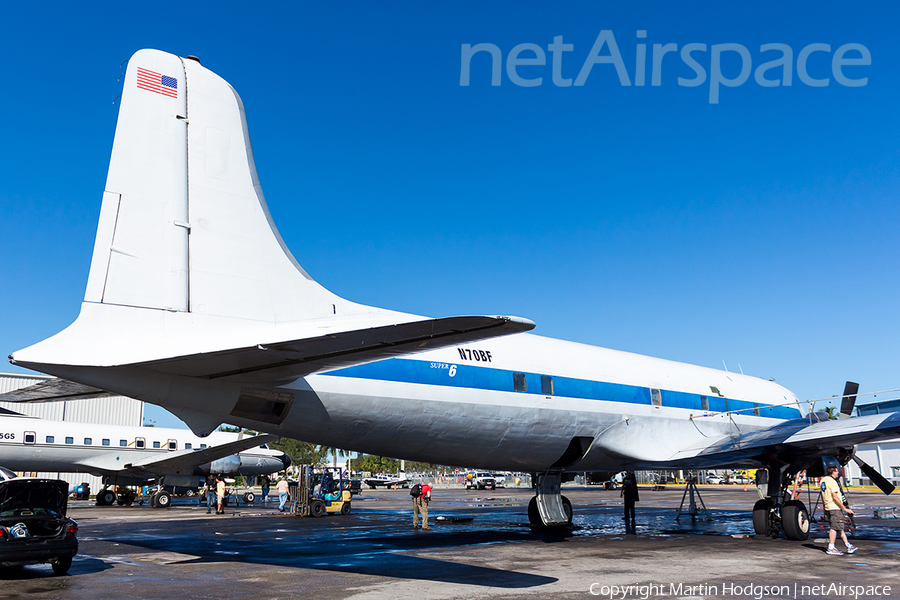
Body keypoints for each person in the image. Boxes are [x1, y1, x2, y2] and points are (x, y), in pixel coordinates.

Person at [820, 465, 856, 555]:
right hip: (835, 508)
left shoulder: (823, 480)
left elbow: (822, 495)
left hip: (828, 507)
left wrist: (824, 507)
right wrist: (845, 508)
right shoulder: (832, 481)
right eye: (836, 471)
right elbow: (835, 496)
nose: (838, 473)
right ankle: (831, 547)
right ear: (832, 472)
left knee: (839, 527)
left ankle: (848, 545)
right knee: (834, 528)